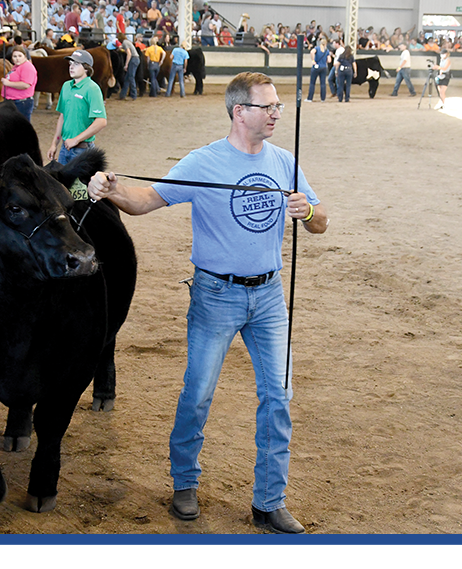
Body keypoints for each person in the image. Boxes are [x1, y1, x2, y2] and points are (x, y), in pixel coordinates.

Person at [87, 71, 328, 534]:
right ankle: (184, 484)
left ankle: (269, 500)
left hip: (270, 296)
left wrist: (310, 212)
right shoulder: (204, 162)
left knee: (278, 396)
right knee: (198, 395)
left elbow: (320, 222)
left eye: (278, 105)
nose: (277, 112)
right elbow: (146, 200)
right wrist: (111, 189)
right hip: (216, 294)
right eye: (267, 106)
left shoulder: (284, 161)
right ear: (240, 112)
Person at [46, 49, 107, 164]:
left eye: (76, 64)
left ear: (86, 68)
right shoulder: (66, 86)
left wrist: (76, 140)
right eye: (70, 63)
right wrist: (54, 144)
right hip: (65, 147)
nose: (71, 67)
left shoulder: (92, 88)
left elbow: (101, 121)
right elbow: (62, 117)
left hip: (82, 150)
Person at [0, 45, 38, 121]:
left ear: (25, 56)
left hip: (21, 102)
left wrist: (8, 83)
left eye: (20, 56)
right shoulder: (17, 66)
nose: (17, 58)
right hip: (14, 101)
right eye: (15, 56)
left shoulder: (27, 67)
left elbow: (26, 84)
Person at [305, 36, 330, 103]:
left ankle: (310, 98)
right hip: (324, 67)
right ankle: (323, 99)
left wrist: (313, 60)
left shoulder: (317, 48)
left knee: (312, 83)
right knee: (323, 83)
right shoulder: (327, 51)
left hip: (316, 67)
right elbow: (329, 60)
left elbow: (312, 52)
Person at [119, 33, 140, 100]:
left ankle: (134, 95)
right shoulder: (127, 42)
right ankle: (122, 95)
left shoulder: (125, 43)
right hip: (136, 59)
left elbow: (129, 54)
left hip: (133, 59)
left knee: (131, 77)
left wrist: (126, 65)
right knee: (127, 78)